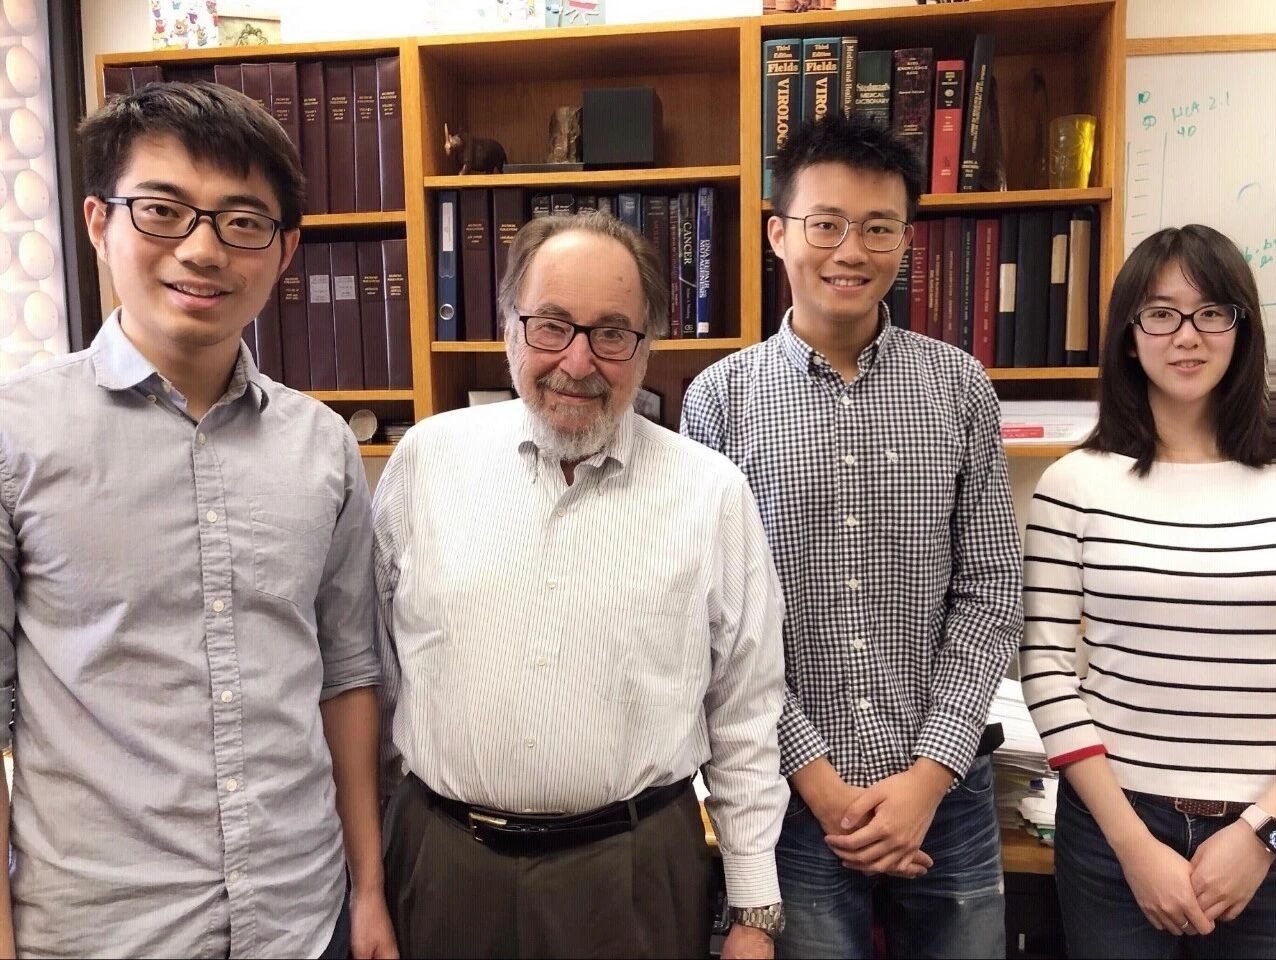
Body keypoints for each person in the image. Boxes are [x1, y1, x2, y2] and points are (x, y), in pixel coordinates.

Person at [0, 82, 396, 958]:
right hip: (102, 933)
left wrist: (367, 889)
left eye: (242, 221)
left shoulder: (323, 446)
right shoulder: (15, 436)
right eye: (163, 211)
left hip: (302, 917)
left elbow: (347, 674)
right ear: (99, 223)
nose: (203, 249)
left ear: (285, 250)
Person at [374, 211, 789, 960]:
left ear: (645, 346)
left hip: (633, 872)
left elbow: (747, 708)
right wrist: (367, 878)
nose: (577, 361)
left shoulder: (711, 492)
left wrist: (754, 915)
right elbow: (372, 674)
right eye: (551, 326)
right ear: (508, 327)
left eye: (611, 333)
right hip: (443, 865)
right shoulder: (424, 464)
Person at [682, 114, 1023, 959]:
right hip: (793, 804)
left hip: (948, 793)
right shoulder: (718, 400)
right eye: (825, 224)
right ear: (778, 233)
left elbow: (989, 592)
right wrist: (820, 782)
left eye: (879, 228)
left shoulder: (961, 388)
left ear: (906, 240)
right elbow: (718, 621)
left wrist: (929, 776)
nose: (851, 250)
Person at [1021, 224, 1276, 958]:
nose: (1186, 336)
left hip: (1270, 833)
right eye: (1160, 313)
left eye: (1211, 311)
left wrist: (1263, 832)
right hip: (1117, 829)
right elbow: (1043, 665)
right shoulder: (1076, 483)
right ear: (1129, 334)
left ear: (1242, 325)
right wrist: (1132, 844)